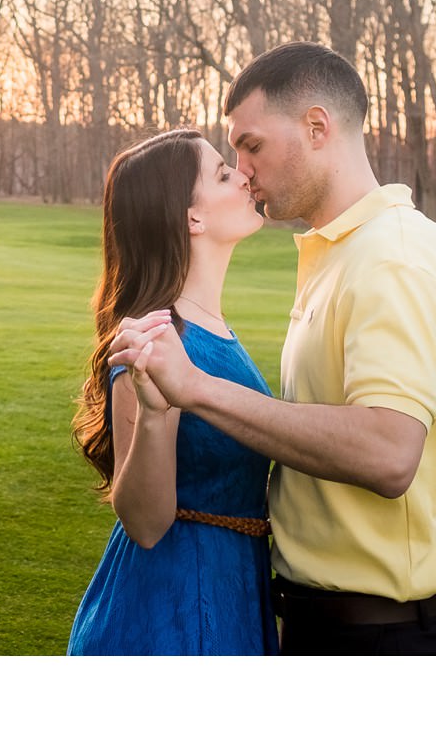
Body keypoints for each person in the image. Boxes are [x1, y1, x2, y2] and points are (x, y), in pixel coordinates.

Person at [110, 42, 436, 656]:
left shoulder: (390, 257)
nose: (244, 170)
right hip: (307, 621)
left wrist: (199, 392)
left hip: (386, 639)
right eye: (230, 158)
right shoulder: (338, 255)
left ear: (317, 127)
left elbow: (390, 454)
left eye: (251, 146)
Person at [67, 128, 278, 655]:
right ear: (192, 218)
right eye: (224, 174)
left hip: (231, 591)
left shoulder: (213, 329)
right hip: (171, 612)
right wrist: (157, 416)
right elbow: (143, 521)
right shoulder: (156, 339)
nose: (244, 174)